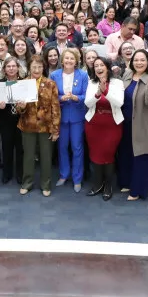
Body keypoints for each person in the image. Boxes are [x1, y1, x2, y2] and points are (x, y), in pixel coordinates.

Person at [117, 50, 148, 201]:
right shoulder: (127, 75)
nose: (139, 63)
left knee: (140, 157)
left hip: (142, 124)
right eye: (136, 60)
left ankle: (137, 190)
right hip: (126, 122)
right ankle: (126, 183)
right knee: (126, 154)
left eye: (142, 60)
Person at [17, 55, 60, 197]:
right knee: (28, 156)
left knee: (46, 157)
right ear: (29, 68)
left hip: (45, 127)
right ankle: (27, 183)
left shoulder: (51, 84)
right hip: (27, 126)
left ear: (44, 68)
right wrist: (21, 107)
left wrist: (55, 129)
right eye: (34, 66)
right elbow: (18, 110)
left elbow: (55, 108)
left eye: (40, 67)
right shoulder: (23, 83)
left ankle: (46, 185)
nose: (37, 69)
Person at [84, 56, 124, 200]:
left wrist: (105, 92)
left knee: (108, 155)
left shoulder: (117, 83)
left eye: (101, 65)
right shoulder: (91, 82)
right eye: (96, 66)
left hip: (112, 125)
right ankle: (97, 184)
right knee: (95, 155)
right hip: (93, 125)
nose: (99, 68)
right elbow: (88, 103)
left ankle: (108, 185)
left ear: (107, 67)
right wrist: (97, 93)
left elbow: (119, 103)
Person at [50, 49, 89, 192]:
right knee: (62, 147)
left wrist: (76, 97)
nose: (69, 61)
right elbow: (51, 96)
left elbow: (87, 95)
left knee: (77, 148)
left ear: (76, 61)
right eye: (66, 58)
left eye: (72, 58)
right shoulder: (54, 75)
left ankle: (77, 178)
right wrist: (61, 98)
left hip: (77, 117)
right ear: (62, 60)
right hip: (60, 117)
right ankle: (63, 174)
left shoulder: (83, 75)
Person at [0, 58, 24, 185]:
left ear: (18, 68)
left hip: (21, 120)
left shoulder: (24, 83)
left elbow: (31, 103)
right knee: (6, 147)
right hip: (6, 120)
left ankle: (20, 174)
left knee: (20, 148)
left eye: (14, 66)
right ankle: (6, 174)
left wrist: (24, 105)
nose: (11, 68)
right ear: (4, 69)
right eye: (8, 66)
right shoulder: (0, 83)